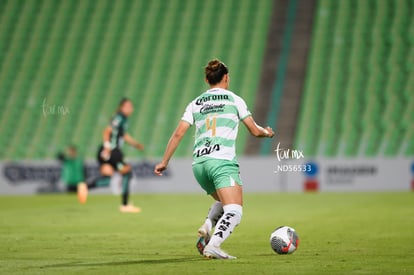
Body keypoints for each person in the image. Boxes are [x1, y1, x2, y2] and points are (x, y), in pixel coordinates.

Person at [154, 59, 274, 259]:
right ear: (226, 78)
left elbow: (178, 133)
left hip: (200, 165)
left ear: (206, 79)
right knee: (234, 211)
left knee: (224, 202)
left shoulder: (196, 103)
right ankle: (214, 245)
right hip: (221, 162)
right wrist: (268, 133)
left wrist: (164, 161)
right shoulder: (234, 99)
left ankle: (208, 225)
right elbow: (254, 130)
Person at [78, 98, 145, 213]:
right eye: (128, 106)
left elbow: (123, 135)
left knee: (108, 178)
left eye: (131, 106)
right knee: (127, 172)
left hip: (108, 151)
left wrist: (135, 144)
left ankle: (85, 186)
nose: (131, 109)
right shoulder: (119, 117)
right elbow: (107, 131)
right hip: (113, 151)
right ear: (122, 107)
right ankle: (125, 205)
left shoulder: (123, 119)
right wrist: (107, 146)